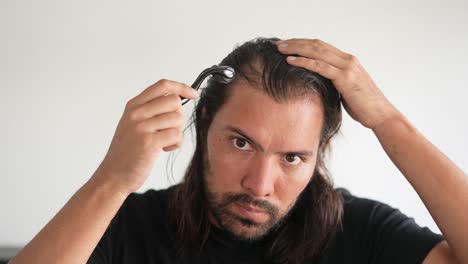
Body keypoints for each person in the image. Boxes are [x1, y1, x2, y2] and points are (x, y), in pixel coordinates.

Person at [9, 37, 466, 264]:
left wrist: (388, 122)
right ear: (204, 121)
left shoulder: (362, 233)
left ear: (317, 154)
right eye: (241, 143)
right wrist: (112, 180)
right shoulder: (130, 228)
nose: (260, 185)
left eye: (292, 157)